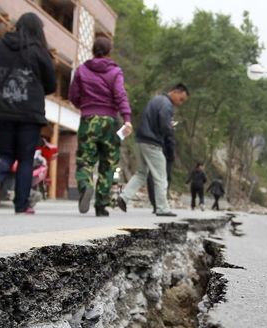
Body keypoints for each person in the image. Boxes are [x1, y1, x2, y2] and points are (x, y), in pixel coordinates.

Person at [0, 12, 56, 214]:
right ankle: (21, 205)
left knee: (5, 154)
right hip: (30, 115)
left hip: (3, 110)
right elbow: (51, 84)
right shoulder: (40, 52)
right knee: (25, 159)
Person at [69, 35, 132, 217]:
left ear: (92, 50)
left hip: (88, 119)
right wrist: (126, 118)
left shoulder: (81, 70)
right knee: (108, 162)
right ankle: (101, 205)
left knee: (85, 159)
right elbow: (120, 95)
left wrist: (85, 106)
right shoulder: (115, 72)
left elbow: (73, 95)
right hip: (110, 122)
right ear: (109, 51)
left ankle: (85, 186)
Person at [117, 83, 190, 217]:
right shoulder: (166, 105)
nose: (180, 103)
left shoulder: (155, 100)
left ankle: (124, 197)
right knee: (161, 176)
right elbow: (163, 124)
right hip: (152, 143)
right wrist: (170, 128)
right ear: (176, 91)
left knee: (141, 173)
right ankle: (162, 208)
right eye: (181, 99)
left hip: (140, 140)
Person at [146, 133, 174, 213]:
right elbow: (170, 141)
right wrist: (171, 156)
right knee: (163, 180)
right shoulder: (166, 124)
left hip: (151, 150)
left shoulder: (150, 123)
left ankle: (156, 204)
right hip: (163, 154)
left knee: (152, 178)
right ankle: (160, 205)